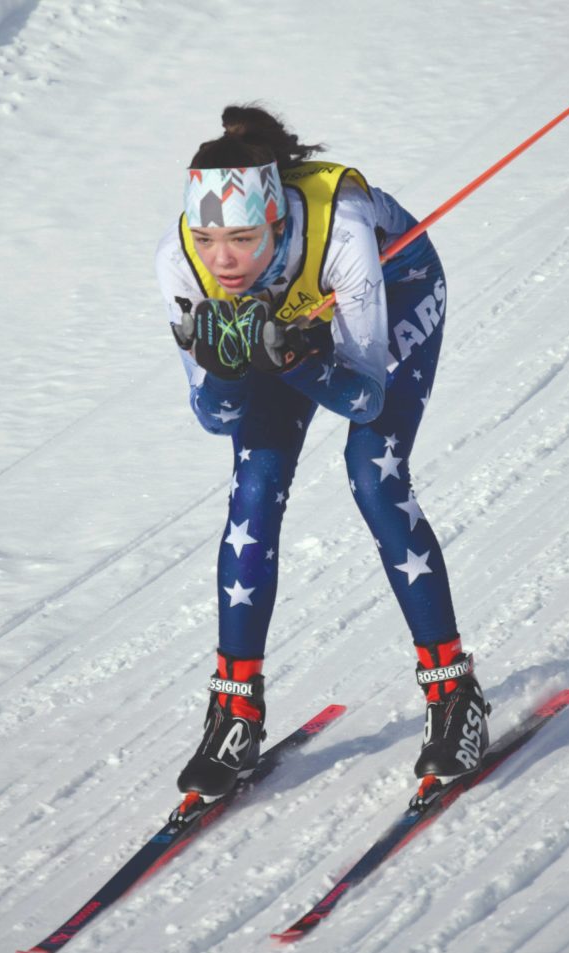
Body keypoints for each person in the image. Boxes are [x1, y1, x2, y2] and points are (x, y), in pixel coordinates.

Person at [155, 105, 490, 801]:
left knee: (373, 476)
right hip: (295, 323)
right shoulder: (179, 262)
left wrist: (301, 359)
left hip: (394, 293)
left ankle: (455, 696)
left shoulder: (339, 228)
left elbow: (364, 397)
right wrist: (225, 365)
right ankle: (235, 713)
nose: (223, 259)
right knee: (255, 485)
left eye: (244, 238)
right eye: (209, 237)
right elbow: (216, 419)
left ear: (276, 222)